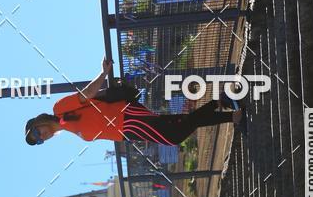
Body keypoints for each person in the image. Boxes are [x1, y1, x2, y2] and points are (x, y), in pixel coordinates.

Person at [24, 58, 243, 147]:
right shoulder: (68, 128)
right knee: (180, 121)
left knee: (173, 136)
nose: (41, 136)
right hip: (127, 131)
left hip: (126, 119)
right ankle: (230, 114)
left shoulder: (59, 110)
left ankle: (221, 101)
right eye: (38, 140)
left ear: (38, 122)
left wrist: (103, 73)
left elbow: (87, 94)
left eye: (36, 132)